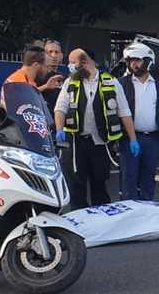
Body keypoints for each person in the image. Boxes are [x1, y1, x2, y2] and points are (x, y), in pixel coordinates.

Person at [53, 48, 139, 208]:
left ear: (85, 63)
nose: (69, 66)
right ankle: (79, 218)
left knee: (99, 182)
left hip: (100, 142)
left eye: (72, 63)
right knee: (76, 183)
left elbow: (125, 112)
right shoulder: (70, 82)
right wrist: (59, 129)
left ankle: (101, 218)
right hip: (76, 142)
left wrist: (133, 139)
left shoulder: (111, 82)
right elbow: (60, 108)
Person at [117, 42, 159, 201]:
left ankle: (147, 209)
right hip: (130, 139)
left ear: (148, 61)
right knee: (129, 176)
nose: (133, 64)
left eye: (137, 60)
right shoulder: (121, 84)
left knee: (148, 177)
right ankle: (128, 210)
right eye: (130, 61)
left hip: (153, 139)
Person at [41, 39, 66, 112]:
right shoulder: (37, 75)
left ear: (61, 56)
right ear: (43, 55)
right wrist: (45, 87)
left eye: (56, 52)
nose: (53, 55)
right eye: (50, 52)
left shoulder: (63, 77)